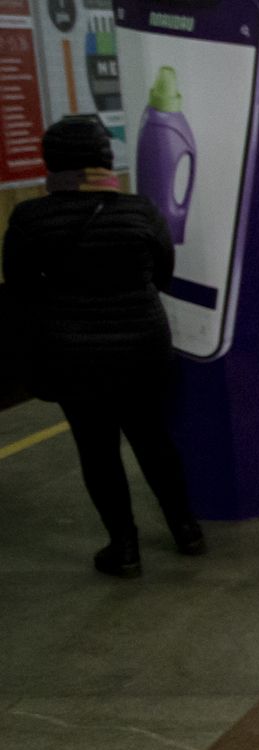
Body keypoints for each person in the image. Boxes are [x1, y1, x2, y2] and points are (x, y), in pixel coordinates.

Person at [4, 115, 201, 577]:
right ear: (104, 159)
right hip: (142, 348)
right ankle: (187, 530)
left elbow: (20, 288)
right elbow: (163, 275)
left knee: (97, 450)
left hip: (73, 356)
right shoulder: (140, 210)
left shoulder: (30, 218)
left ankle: (124, 548)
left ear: (51, 162)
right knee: (154, 440)